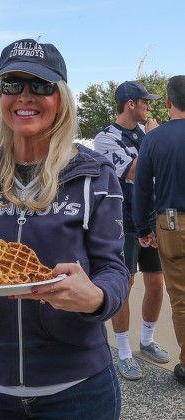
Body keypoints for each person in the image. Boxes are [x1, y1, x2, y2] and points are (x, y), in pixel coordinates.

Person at [0, 38, 129, 420]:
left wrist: (98, 298)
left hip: (79, 389)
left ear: (61, 97)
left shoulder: (96, 175)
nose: (25, 96)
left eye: (40, 85)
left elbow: (114, 268)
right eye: (12, 84)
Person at [94, 80, 169, 381]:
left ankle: (147, 340)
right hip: (122, 222)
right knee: (124, 284)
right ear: (130, 104)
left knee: (156, 283)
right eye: (146, 103)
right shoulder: (105, 138)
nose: (150, 108)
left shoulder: (146, 133)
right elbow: (135, 172)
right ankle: (124, 352)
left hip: (151, 219)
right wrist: (153, 140)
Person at [133, 75, 185, 386]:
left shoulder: (153, 139)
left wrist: (143, 228)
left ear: (167, 103)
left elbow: (142, 191)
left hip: (171, 223)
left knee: (181, 298)